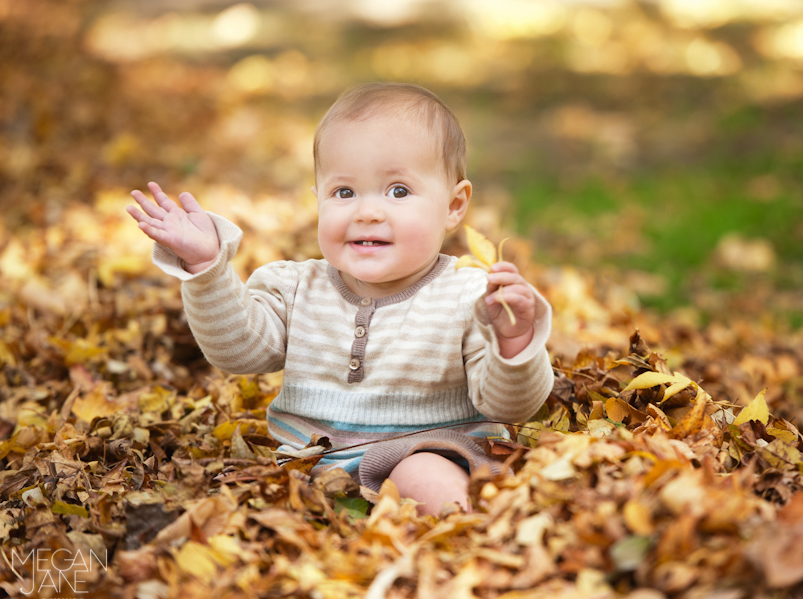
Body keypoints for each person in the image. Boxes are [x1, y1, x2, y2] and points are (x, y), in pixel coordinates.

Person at [126, 82, 553, 516]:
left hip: (428, 450)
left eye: (398, 191)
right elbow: (239, 352)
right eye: (344, 193)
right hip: (311, 464)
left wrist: (514, 344)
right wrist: (208, 268)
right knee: (239, 501)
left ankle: (456, 549)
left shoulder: (470, 295)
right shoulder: (295, 287)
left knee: (425, 479)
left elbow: (512, 406)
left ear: (454, 205)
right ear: (318, 201)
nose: (367, 212)